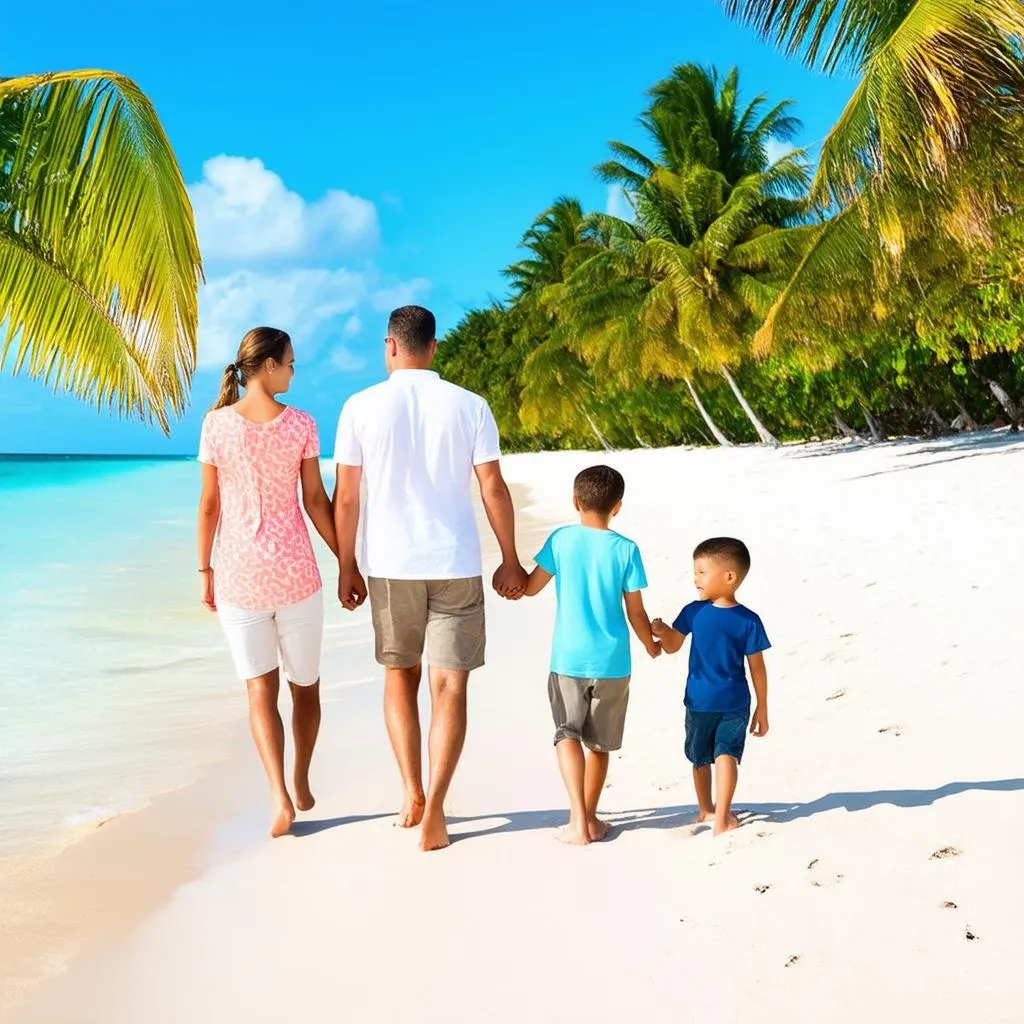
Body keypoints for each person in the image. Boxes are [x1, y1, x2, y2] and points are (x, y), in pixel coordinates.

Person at [332, 305, 527, 852]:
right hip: (456, 564)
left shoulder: (360, 406)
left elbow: (347, 496)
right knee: (451, 686)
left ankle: (412, 793)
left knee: (401, 678)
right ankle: (438, 809)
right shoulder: (470, 405)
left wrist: (346, 565)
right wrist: (509, 558)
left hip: (391, 566)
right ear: (433, 347)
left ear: (390, 346)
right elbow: (492, 485)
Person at [197, 327, 337, 838]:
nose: (295, 372)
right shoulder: (301, 423)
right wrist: (346, 559)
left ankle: (279, 794)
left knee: (260, 691)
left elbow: (209, 505)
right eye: (292, 363)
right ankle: (300, 777)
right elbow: (316, 501)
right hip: (297, 573)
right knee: (306, 688)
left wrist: (206, 570)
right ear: (271, 366)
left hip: (239, 575)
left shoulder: (215, 425)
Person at [523, 465, 660, 845]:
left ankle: (577, 821)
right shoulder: (626, 549)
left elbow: (532, 587)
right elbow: (635, 611)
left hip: (568, 659)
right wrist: (650, 643)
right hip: (614, 663)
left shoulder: (562, 540)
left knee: (566, 732)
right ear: (617, 507)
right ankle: (593, 818)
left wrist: (512, 580)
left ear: (575, 501)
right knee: (599, 744)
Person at [652, 537, 770, 836]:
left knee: (700, 756)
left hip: (700, 701)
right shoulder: (749, 620)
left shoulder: (695, 612)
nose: (696, 578)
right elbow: (757, 669)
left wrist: (665, 634)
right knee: (726, 753)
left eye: (702, 572)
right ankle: (722, 816)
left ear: (729, 577)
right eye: (695, 572)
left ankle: (706, 808)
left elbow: (672, 647)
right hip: (735, 701)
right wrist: (762, 707)